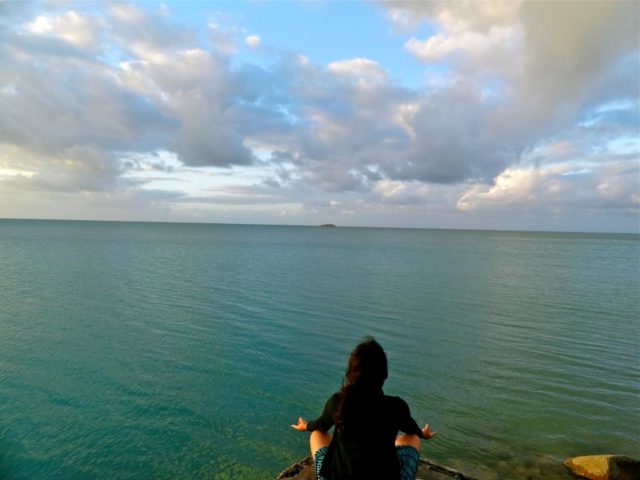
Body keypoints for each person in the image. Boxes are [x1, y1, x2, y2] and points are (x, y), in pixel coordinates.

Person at [291, 336, 437, 480]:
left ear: (350, 372)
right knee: (412, 439)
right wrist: (423, 434)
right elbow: (412, 430)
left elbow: (321, 425)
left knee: (316, 435)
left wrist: (306, 426)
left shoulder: (338, 402)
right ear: (384, 374)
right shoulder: (396, 406)